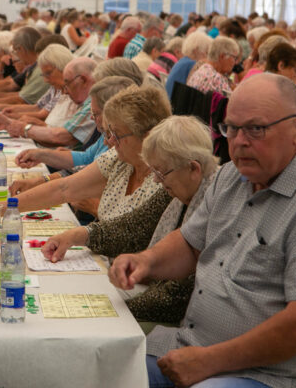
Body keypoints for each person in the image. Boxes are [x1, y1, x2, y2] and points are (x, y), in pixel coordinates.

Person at [111, 73, 296, 388]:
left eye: (255, 129)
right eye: (231, 128)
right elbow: (190, 244)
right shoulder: (233, 175)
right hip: (194, 345)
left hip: (267, 375)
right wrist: (146, 261)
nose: (239, 141)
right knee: (103, 362)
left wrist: (210, 361)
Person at [43, 115, 218, 327]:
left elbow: (176, 296)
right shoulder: (178, 187)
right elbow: (134, 226)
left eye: (161, 173)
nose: (156, 180)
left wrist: (110, 310)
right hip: (155, 300)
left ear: (193, 169)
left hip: (180, 321)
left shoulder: (214, 201)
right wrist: (79, 235)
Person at [13, 85, 171, 224]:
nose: (107, 142)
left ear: (147, 136)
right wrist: (6, 208)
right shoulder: (119, 159)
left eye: (116, 135)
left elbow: (133, 234)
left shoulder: (164, 179)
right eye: (108, 134)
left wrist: (92, 216)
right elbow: (63, 188)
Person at [10, 76, 136, 197]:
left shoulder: (121, 142)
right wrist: (41, 155)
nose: (92, 117)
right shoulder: (108, 134)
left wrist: (41, 180)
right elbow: (86, 158)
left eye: (95, 113)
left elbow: (79, 178)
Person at [0, 56, 97, 147]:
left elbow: (63, 137)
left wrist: (21, 127)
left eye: (68, 83)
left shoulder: (92, 103)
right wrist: (11, 124)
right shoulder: (80, 99)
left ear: (83, 80)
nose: (66, 92)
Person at [165, 31, 212, 99]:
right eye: (206, 52)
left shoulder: (182, 61)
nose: (207, 57)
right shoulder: (192, 65)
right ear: (196, 50)